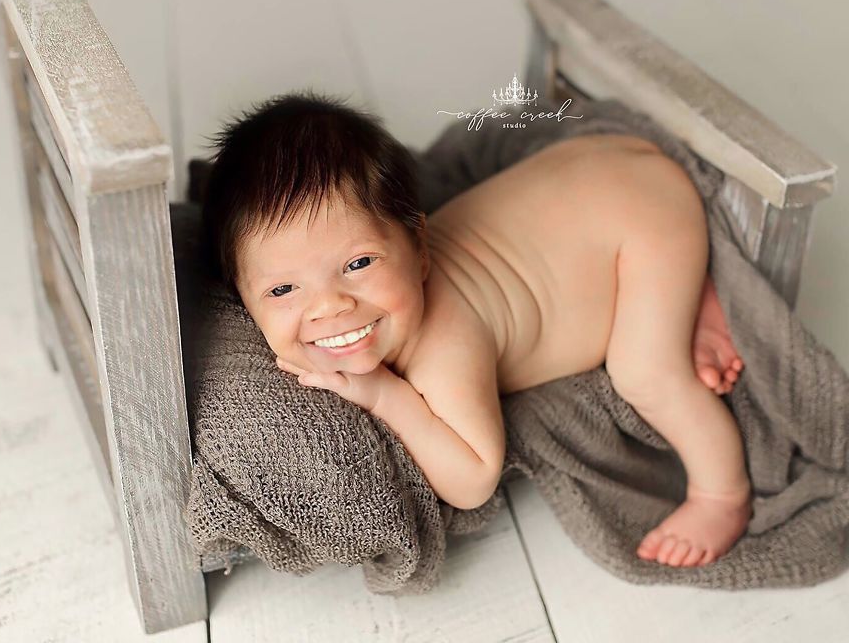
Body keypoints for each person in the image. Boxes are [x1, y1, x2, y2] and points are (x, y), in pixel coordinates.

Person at [200, 90, 749, 568]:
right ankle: (690, 291)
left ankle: (723, 494)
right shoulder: (357, 283)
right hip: (590, 172)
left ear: (418, 252)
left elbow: (473, 479)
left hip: (641, 217)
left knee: (646, 372)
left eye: (360, 264)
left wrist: (385, 395)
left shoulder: (445, 342)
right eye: (281, 291)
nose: (331, 306)